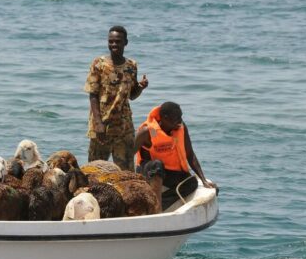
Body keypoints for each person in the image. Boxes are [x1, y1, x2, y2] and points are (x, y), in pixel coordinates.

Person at [84, 25, 149, 170]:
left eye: (118, 41)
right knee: (95, 170)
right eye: (111, 41)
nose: (114, 44)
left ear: (126, 42)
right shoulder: (98, 64)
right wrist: (98, 123)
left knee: (126, 171)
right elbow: (93, 95)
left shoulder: (131, 66)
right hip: (102, 127)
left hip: (124, 128)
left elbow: (131, 95)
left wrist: (140, 87)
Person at [134, 102, 217, 211]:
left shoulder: (180, 127)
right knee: (157, 164)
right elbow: (128, 153)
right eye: (176, 118)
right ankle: (154, 206)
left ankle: (157, 204)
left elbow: (190, 154)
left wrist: (203, 179)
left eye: (181, 117)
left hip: (167, 171)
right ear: (164, 118)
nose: (179, 121)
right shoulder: (147, 132)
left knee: (191, 183)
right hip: (148, 170)